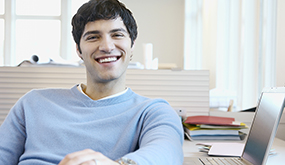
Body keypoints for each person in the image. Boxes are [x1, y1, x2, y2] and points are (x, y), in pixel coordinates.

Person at [0, 0, 184, 164]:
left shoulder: (153, 112)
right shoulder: (33, 103)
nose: (106, 46)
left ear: (132, 44)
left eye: (117, 35)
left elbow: (166, 153)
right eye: (93, 37)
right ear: (79, 50)